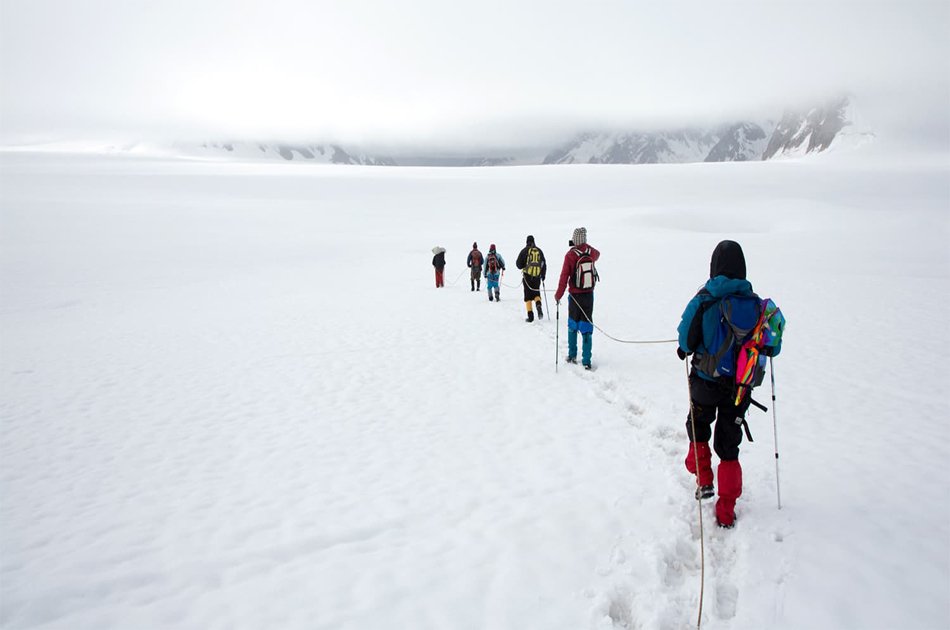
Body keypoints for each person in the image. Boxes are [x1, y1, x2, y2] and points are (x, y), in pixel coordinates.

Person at [676, 240, 781, 528]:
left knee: (697, 427)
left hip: (705, 383)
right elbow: (772, 347)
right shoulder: (757, 305)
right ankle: (726, 511)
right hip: (740, 388)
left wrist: (686, 349)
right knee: (729, 446)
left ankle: (704, 478)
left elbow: (685, 339)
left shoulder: (704, 298)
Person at [554, 227, 600, 369]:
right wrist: (586, 246)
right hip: (588, 295)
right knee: (586, 326)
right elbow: (598, 254)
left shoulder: (570, 255)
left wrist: (558, 295)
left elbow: (564, 276)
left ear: (574, 239)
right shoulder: (591, 252)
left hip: (574, 296)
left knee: (573, 324)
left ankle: (572, 355)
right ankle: (586, 360)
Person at [515, 235, 547, 322]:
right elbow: (544, 264)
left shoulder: (524, 251)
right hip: (537, 277)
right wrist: (543, 276)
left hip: (527, 277)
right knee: (536, 293)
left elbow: (518, 264)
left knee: (528, 296)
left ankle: (530, 316)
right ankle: (538, 305)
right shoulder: (539, 251)